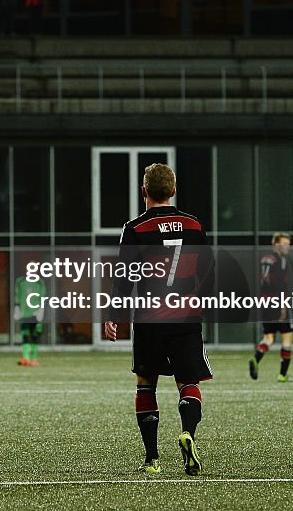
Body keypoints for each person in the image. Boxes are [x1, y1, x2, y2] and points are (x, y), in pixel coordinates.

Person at [103, 163, 215, 476]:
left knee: (145, 383)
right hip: (186, 314)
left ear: (144, 192)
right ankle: (188, 435)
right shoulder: (193, 225)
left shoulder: (136, 228)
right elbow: (209, 269)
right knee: (187, 382)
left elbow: (124, 276)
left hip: (150, 317)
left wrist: (114, 315)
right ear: (174, 190)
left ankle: (152, 459)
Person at [249, 232, 293, 382]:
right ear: (276, 244)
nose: (287, 247)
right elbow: (280, 283)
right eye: (284, 244)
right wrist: (283, 305)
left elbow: (263, 282)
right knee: (287, 338)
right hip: (278, 302)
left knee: (268, 338)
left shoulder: (264, 258)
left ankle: (256, 358)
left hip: (265, 303)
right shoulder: (281, 260)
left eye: (288, 244)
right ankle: (282, 374)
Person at [12, 274, 46, 366]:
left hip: (35, 313)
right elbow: (17, 295)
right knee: (25, 334)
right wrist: (17, 308)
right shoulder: (20, 281)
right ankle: (26, 358)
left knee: (35, 335)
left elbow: (42, 296)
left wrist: (41, 310)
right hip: (24, 313)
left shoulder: (40, 282)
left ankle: (34, 359)